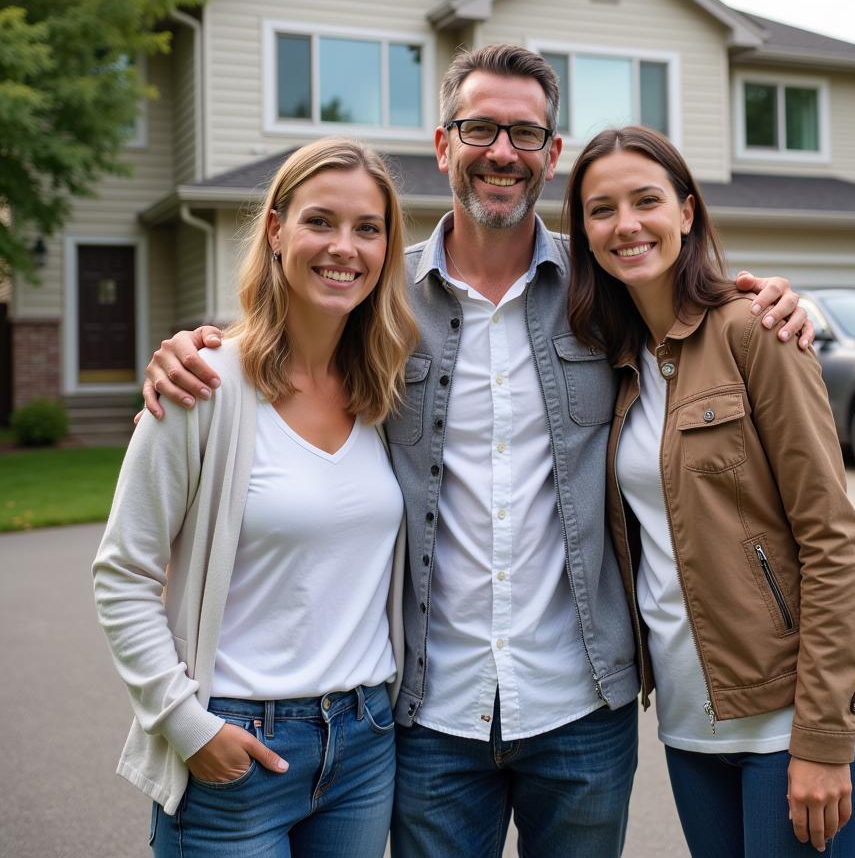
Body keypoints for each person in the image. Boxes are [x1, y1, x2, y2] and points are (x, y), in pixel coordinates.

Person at [140, 45, 814, 858]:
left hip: (580, 708)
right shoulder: (383, 300)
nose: (502, 151)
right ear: (443, 144)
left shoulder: (604, 291)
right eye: (480, 128)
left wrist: (772, 297)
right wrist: (200, 345)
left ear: (552, 155)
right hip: (431, 720)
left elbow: (690, 304)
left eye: (525, 133)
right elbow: (293, 329)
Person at [564, 125, 855, 858]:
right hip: (692, 727)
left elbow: (832, 536)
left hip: (796, 721)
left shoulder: (755, 330)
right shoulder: (616, 362)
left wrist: (820, 736)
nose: (626, 225)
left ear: (687, 212)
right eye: (601, 209)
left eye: (646, 200)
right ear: (582, 233)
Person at [94, 138, 418, 857]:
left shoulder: (386, 391)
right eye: (320, 222)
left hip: (364, 747)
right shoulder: (204, 385)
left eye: (368, 228)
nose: (345, 247)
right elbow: (123, 573)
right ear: (276, 231)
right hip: (236, 747)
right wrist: (187, 726)